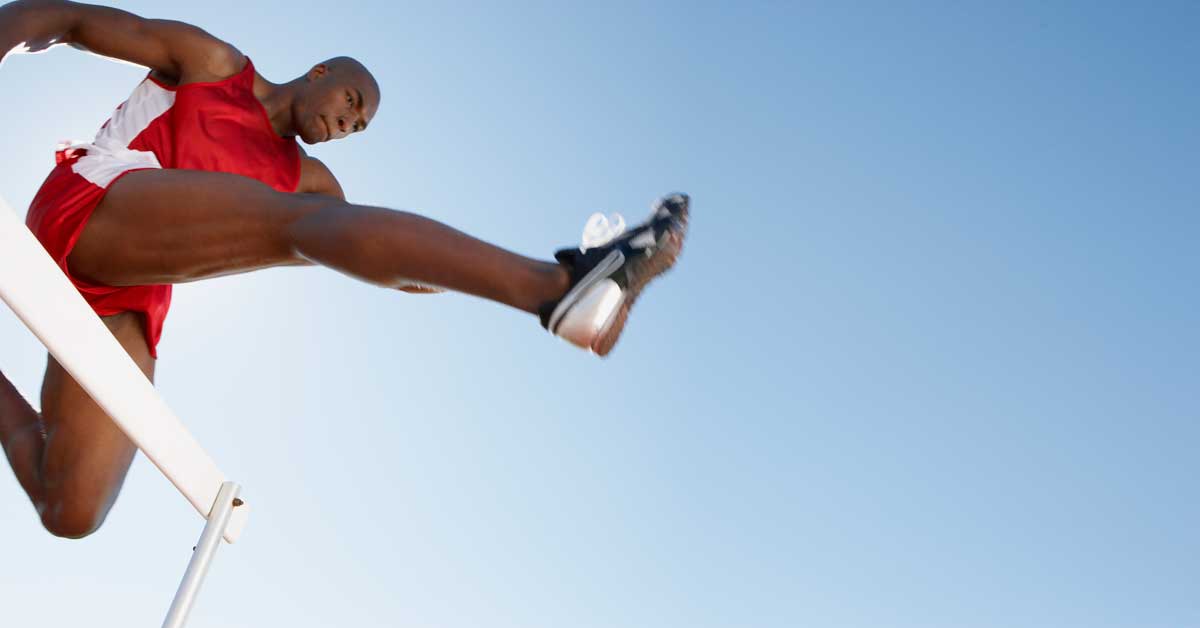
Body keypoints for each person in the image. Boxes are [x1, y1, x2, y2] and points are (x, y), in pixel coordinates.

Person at [0, 0, 688, 539]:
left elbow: (369, 250)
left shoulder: (312, 183)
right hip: (92, 205)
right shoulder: (215, 65)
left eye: (359, 129)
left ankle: (560, 292)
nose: (346, 125)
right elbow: (68, 19)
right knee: (293, 225)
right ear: (322, 72)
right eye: (351, 104)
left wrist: (444, 273)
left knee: (72, 507)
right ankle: (557, 286)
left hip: (131, 292)